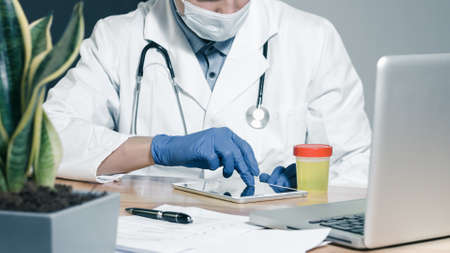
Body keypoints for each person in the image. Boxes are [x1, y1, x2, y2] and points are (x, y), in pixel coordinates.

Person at [44, 0, 372, 188]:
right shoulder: (118, 37)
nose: (224, 9)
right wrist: (160, 148)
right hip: (155, 233)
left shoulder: (312, 37)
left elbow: (359, 160)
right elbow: (46, 140)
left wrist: (309, 186)